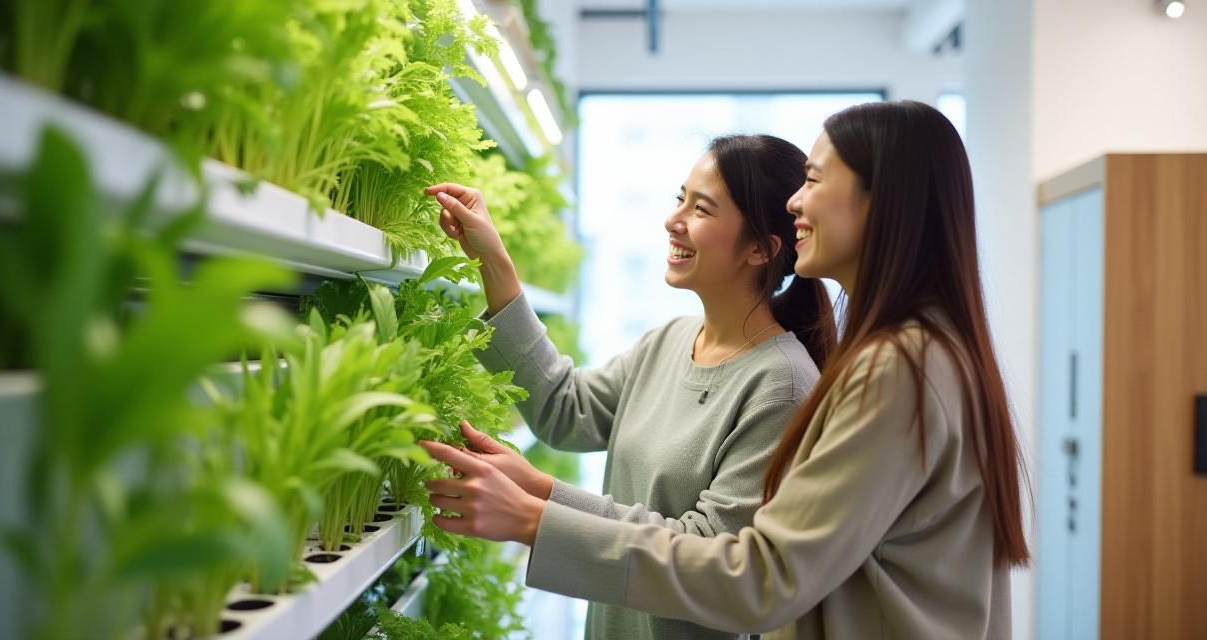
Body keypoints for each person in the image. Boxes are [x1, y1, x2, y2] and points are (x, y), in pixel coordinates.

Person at [420, 100, 1031, 640]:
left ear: (883, 204)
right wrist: (540, 494)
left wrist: (535, 517)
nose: (797, 199)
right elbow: (567, 410)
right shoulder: (918, 355)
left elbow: (759, 574)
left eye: (815, 179)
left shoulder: (885, 372)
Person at [423, 134, 835, 640]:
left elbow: (708, 552)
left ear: (760, 249)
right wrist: (494, 262)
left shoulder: (782, 386)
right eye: (679, 198)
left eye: (701, 209)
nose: (673, 220)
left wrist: (536, 512)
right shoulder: (670, 340)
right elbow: (565, 408)